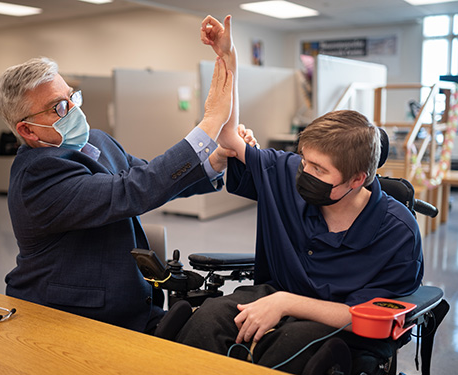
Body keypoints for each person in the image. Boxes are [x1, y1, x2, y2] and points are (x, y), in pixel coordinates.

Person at [175, 16, 423, 374]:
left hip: (337, 320)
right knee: (207, 320)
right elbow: (229, 138)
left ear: (358, 180)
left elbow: (367, 317)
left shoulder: (398, 232)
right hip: (273, 295)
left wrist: (286, 303)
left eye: (319, 170)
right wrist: (227, 58)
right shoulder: (290, 171)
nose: (304, 173)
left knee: (288, 349)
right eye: (306, 161)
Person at [0, 55, 254, 333]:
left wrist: (213, 162)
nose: (75, 110)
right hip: (68, 318)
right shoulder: (37, 177)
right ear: (27, 130)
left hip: (132, 304)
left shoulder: (98, 140)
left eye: (72, 97)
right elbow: (131, 191)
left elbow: (150, 177)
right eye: (59, 107)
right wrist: (210, 123)